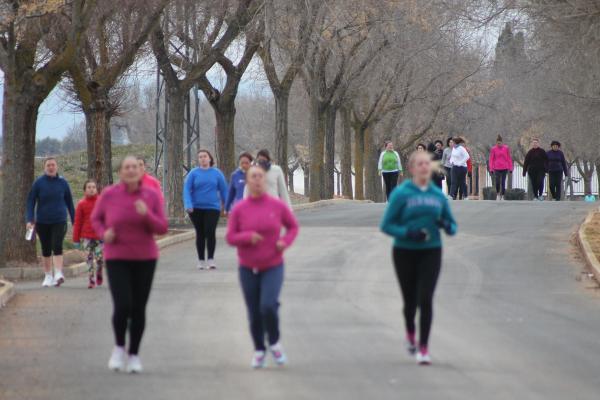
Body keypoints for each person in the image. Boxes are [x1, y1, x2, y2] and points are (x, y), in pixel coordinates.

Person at [91, 156, 168, 373]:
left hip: (145, 258)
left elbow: (162, 226)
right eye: (127, 167)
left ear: (140, 171)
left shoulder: (151, 195)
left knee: (138, 308)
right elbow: (96, 219)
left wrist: (147, 215)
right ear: (121, 172)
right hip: (117, 256)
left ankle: (134, 354)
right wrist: (103, 233)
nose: (132, 170)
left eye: (135, 167)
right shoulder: (109, 194)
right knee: (123, 305)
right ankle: (118, 347)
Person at [380, 151, 457, 365]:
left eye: (427, 164)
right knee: (410, 299)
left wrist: (445, 225)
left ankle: (424, 347)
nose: (424, 167)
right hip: (404, 251)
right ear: (412, 168)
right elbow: (386, 225)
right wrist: (408, 233)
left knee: (426, 298)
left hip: (431, 250)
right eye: (420, 164)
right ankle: (410, 333)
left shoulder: (438, 195)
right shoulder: (401, 194)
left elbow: (452, 226)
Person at [226, 165, 299, 368]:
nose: (257, 180)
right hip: (248, 267)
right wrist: (248, 237)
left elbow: (293, 227)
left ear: (265, 180)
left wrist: (284, 242)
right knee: (254, 311)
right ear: (247, 181)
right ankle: (259, 349)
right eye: (253, 177)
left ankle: (274, 342)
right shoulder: (240, 208)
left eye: (260, 176)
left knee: (268, 305)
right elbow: (230, 237)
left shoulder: (277, 206)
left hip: (273, 264)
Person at [26, 157, 75, 287]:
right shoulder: (38, 183)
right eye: (48, 165)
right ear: (44, 167)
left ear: (57, 167)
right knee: (46, 248)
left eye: (53, 165)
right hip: (42, 221)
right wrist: (30, 219)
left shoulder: (63, 183)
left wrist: (75, 221)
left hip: (59, 219)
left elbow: (70, 203)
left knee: (57, 244)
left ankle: (58, 273)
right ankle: (48, 275)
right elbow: (31, 201)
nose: (51, 167)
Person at [184, 149, 228, 270]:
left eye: (205, 156)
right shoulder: (193, 173)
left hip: (212, 207)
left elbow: (224, 190)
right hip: (196, 208)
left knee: (210, 231)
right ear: (198, 160)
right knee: (200, 233)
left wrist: (228, 206)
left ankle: (211, 259)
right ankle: (201, 260)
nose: (202, 159)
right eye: (200, 157)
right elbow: (187, 189)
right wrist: (188, 204)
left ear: (209, 158)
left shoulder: (217, 173)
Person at [73, 180, 103, 289]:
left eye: (93, 187)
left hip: (99, 236)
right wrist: (76, 239)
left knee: (99, 258)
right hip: (86, 237)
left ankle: (99, 272)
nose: (91, 189)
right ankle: (91, 279)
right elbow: (77, 222)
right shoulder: (81, 204)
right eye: (89, 187)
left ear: (96, 189)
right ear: (85, 190)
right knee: (89, 258)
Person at [489, 135, 513, 200]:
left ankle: (502, 195)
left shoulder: (506, 148)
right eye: (497, 143)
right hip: (496, 168)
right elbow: (491, 159)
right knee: (497, 182)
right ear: (496, 142)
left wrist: (511, 168)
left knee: (503, 182)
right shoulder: (493, 149)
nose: (499, 144)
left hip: (504, 167)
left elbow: (509, 158)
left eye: (500, 143)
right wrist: (491, 168)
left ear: (502, 142)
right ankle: (497, 194)